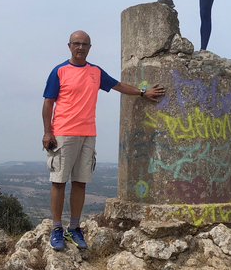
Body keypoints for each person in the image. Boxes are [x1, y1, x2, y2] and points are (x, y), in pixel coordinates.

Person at [42, 30, 164, 251]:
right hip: (63, 133)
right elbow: (48, 103)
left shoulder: (95, 72)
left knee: (80, 182)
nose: (80, 47)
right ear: (69, 46)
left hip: (88, 133)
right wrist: (47, 132)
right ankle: (56, 228)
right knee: (59, 181)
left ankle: (75, 228)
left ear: (90, 47)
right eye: (76, 44)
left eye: (84, 44)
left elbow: (118, 85)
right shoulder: (59, 71)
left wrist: (142, 92)